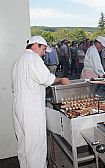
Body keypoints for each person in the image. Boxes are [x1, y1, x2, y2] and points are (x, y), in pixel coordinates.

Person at [11, 36, 71, 168]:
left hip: (18, 107)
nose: (44, 53)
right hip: (31, 110)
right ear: (35, 45)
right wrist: (61, 80)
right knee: (36, 148)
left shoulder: (18, 61)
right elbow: (46, 79)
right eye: (43, 49)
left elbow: (15, 86)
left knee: (24, 145)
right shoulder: (33, 58)